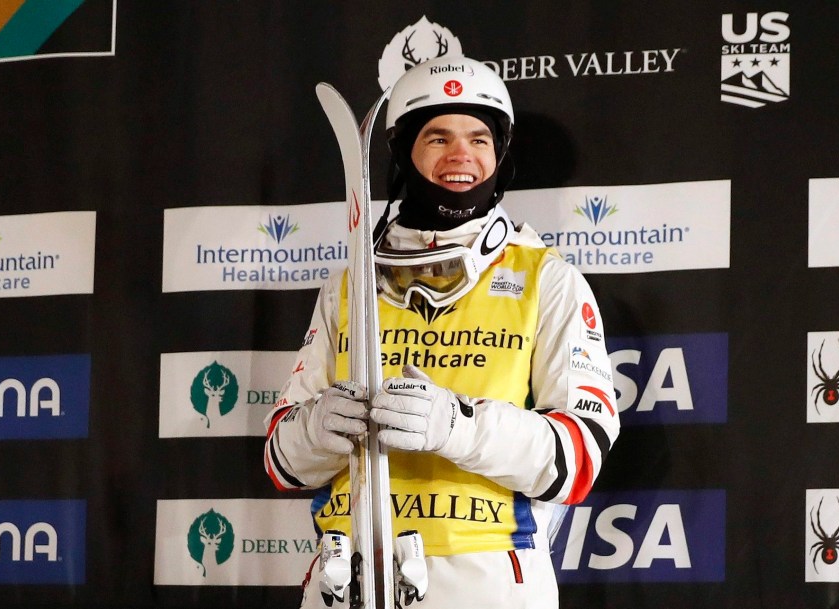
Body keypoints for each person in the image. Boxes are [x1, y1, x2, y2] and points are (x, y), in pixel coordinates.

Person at [264, 55, 620, 609]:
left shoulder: (546, 278)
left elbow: (578, 459)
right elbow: (281, 462)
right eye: (438, 137)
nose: (462, 155)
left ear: (499, 155)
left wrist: (458, 426)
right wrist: (316, 430)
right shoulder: (349, 284)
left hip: (487, 584)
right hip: (348, 577)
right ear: (405, 152)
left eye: (479, 138)